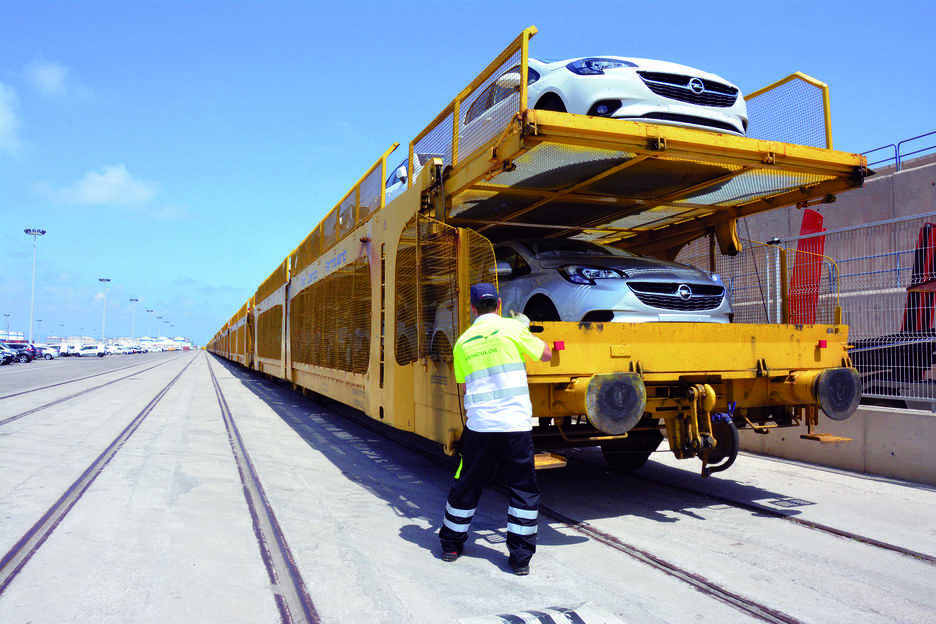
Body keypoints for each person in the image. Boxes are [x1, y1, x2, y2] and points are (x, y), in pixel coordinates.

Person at [439, 282, 552, 575]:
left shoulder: (462, 342)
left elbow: (463, 385)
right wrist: (524, 330)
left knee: (467, 483)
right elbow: (547, 355)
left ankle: (451, 545)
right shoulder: (512, 331)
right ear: (499, 305)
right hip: (514, 425)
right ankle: (520, 558)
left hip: (480, 426)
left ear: (473, 309)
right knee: (523, 489)